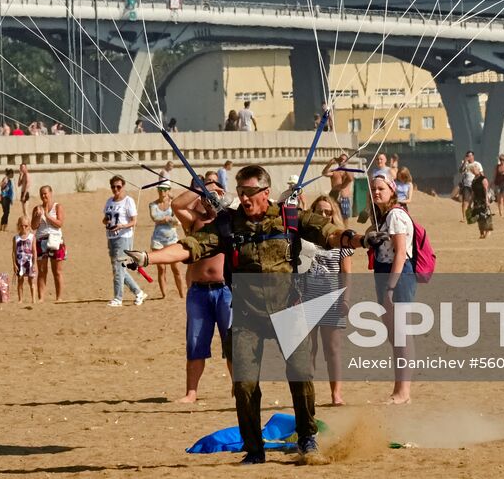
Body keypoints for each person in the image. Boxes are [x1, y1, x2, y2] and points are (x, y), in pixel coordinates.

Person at [130, 165, 376, 464]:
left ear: (265, 193)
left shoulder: (290, 218)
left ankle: (307, 437)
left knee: (300, 374)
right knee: (244, 384)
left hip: (288, 310)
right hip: (247, 314)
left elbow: (332, 234)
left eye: (249, 193)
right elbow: (188, 247)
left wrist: (360, 240)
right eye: (240, 192)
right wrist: (147, 256)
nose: (244, 199)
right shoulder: (227, 225)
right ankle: (254, 448)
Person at [173, 176, 232, 404]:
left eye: (216, 188)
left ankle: (238, 388)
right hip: (199, 292)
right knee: (196, 343)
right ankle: (192, 392)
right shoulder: (195, 222)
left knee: (232, 342)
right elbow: (177, 205)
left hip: (225, 290)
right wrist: (202, 189)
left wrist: (220, 196)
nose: (211, 197)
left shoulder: (229, 221)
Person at [368, 173, 416, 404]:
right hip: (385, 273)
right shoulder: (383, 216)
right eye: (373, 189)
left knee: (402, 335)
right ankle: (399, 389)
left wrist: (390, 288)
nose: (376, 192)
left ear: (391, 190)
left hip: (396, 276)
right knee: (394, 335)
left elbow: (400, 253)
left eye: (381, 188)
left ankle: (403, 392)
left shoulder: (395, 214)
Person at [306, 194, 352, 406]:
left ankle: (336, 393)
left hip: (332, 297)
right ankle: (308, 391)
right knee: (308, 348)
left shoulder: (342, 239)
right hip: (307, 296)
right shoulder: (305, 238)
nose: (324, 215)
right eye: (319, 212)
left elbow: (346, 272)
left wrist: (345, 299)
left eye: (328, 212)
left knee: (332, 349)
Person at [103, 176, 146, 307]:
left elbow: (134, 221)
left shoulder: (128, 201)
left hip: (124, 237)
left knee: (118, 267)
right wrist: (107, 222)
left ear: (123, 187)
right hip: (111, 237)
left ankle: (118, 298)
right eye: (113, 187)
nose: (116, 189)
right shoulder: (109, 201)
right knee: (119, 269)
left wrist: (122, 226)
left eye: (118, 187)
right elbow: (104, 219)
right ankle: (138, 292)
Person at [148, 184, 184, 299]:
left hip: (172, 239)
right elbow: (154, 218)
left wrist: (170, 219)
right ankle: (164, 295)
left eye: (164, 189)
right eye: (160, 189)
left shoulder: (173, 204)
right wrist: (167, 219)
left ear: (168, 190)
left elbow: (178, 221)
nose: (162, 192)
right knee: (161, 268)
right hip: (158, 240)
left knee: (176, 268)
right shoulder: (153, 204)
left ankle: (182, 294)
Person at [32, 185, 66, 302]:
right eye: (41, 194)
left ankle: (59, 297)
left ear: (51, 193)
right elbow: (33, 226)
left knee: (57, 270)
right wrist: (38, 216)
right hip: (41, 239)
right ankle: (41, 297)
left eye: (45, 193)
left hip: (55, 239)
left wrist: (47, 216)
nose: (43, 196)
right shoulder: (37, 208)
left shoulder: (57, 207)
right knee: (42, 270)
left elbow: (60, 223)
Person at [12, 217, 37, 304]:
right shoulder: (16, 238)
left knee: (31, 280)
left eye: (26, 226)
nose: (23, 228)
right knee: (20, 280)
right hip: (20, 262)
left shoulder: (32, 237)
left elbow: (34, 251)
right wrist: (14, 264)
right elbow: (14, 252)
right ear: (18, 226)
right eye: (21, 226)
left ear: (29, 226)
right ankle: (20, 299)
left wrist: (34, 264)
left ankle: (33, 299)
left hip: (29, 261)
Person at [322, 153, 354, 220]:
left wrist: (344, 167)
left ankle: (344, 229)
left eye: (344, 160)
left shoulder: (349, 172)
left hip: (344, 197)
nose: (342, 161)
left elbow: (350, 178)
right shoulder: (334, 171)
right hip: (333, 196)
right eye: (340, 159)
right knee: (332, 216)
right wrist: (329, 164)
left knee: (344, 218)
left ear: (347, 161)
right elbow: (324, 173)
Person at [467, 164, 493, 238]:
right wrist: (470, 203)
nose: (473, 171)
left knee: (486, 216)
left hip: (483, 200)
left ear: (478, 169)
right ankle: (482, 232)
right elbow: (473, 192)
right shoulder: (474, 180)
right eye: (472, 170)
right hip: (476, 201)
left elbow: (486, 190)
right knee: (479, 217)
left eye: (474, 170)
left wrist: (487, 201)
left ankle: (488, 231)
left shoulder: (483, 179)